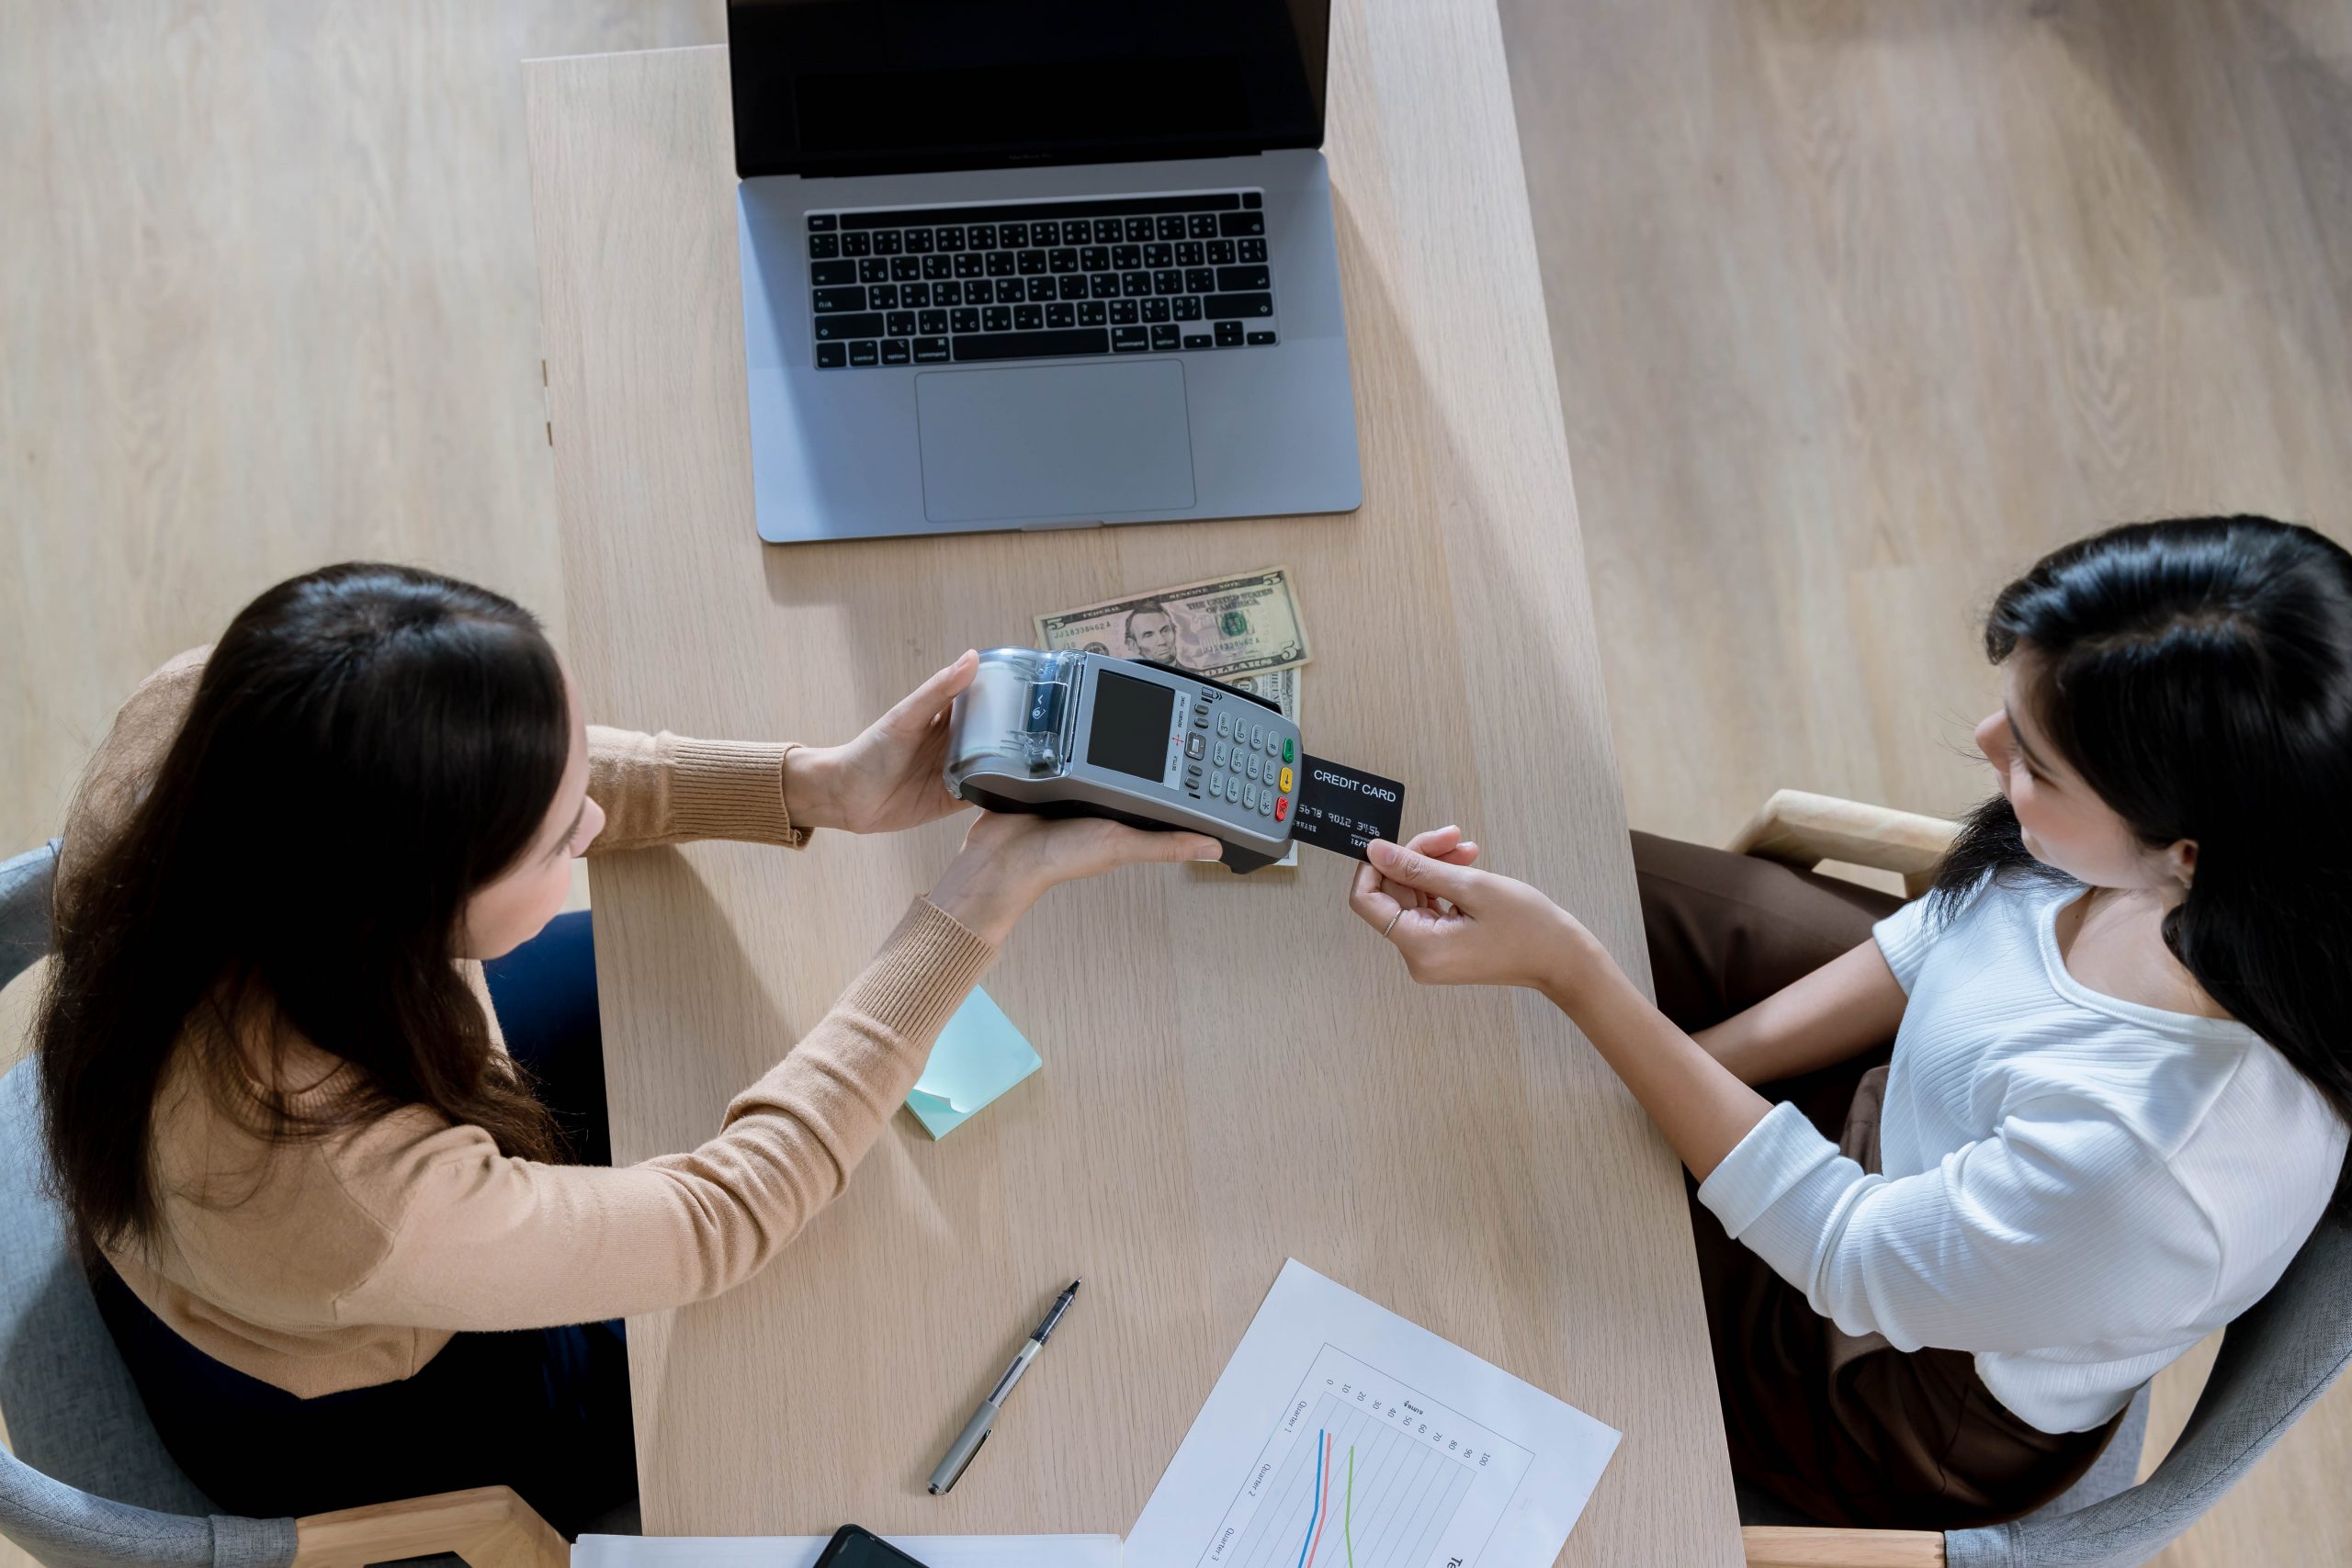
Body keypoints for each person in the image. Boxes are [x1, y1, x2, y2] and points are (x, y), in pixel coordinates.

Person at [37, 563, 1221, 1533]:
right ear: (399, 914)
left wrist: (815, 786)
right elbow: (721, 1222)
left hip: (209, 1207)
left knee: (687, 1008)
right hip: (370, 1395)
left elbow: (527, 765)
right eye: (557, 841)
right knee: (826, 1339)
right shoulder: (358, 1199)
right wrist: (968, 912)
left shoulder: (202, 728)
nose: (593, 821)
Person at [1343, 516, 2352, 1529]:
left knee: (1460, 1207)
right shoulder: (2228, 863)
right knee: (1545, 859)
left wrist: (1583, 987)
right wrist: (1689, 1064)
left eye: (2037, 766)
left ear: (2186, 854)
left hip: (1886, 1356)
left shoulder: (2151, 1164)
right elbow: (1945, 943)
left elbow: (1846, 1251)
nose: (1984, 746)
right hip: (1924, 1094)